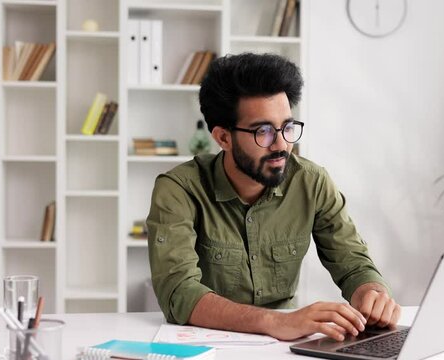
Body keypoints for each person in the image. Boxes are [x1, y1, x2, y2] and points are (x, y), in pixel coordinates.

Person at [147, 53, 400, 342]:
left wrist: (373, 294)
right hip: (204, 345)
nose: (282, 145)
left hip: (284, 348)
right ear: (223, 138)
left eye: (287, 127)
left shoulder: (311, 182)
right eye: (263, 132)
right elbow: (179, 292)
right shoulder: (178, 190)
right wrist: (274, 322)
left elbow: (353, 263)